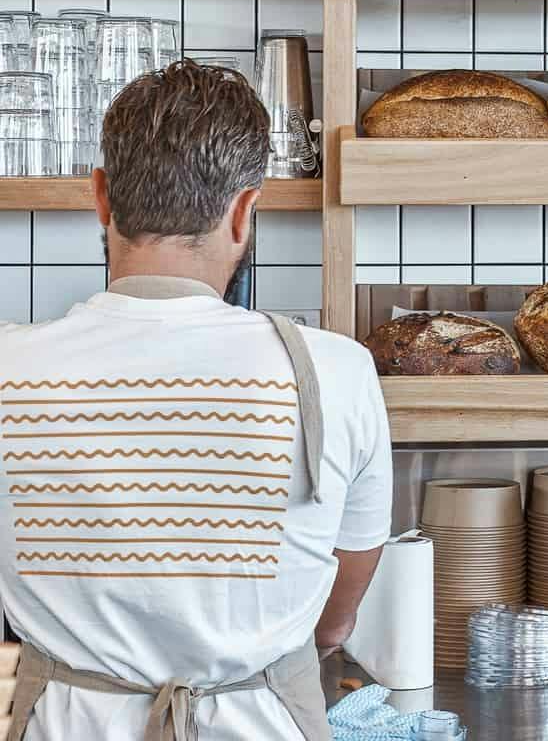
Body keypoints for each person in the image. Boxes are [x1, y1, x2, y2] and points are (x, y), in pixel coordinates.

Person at [0, 62, 392, 741]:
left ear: (101, 198)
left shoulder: (9, 367)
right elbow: (334, 620)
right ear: (244, 212)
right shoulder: (338, 373)